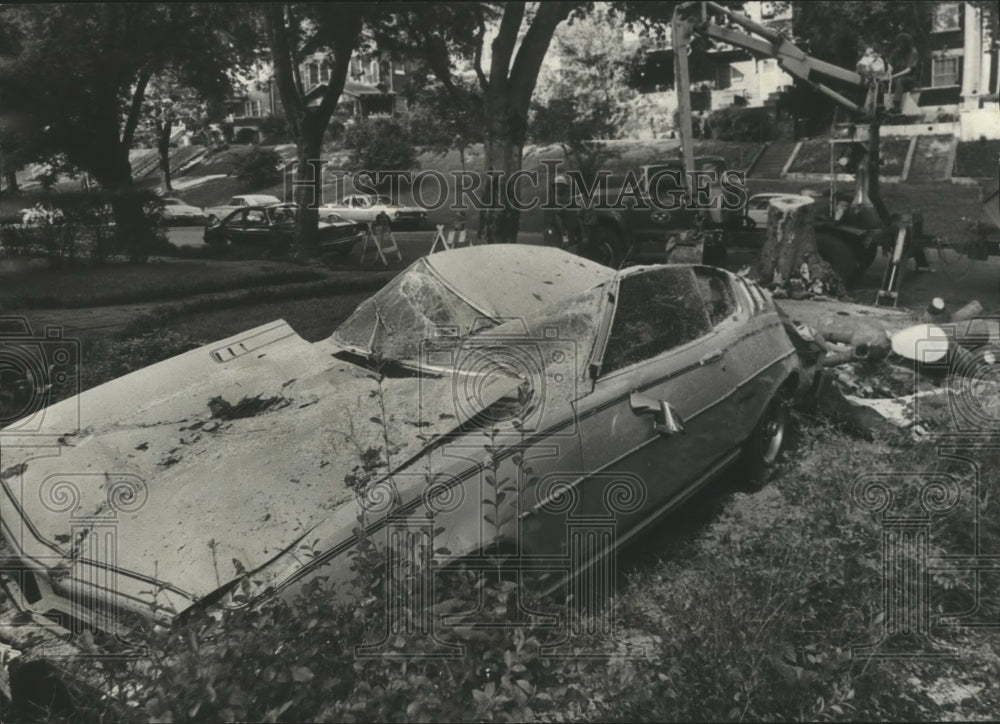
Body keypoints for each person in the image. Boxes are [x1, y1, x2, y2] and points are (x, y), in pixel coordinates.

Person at [888, 33, 920, 114]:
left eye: (902, 43)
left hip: (909, 79)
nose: (900, 45)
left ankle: (896, 106)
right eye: (899, 43)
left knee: (900, 80)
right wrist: (887, 74)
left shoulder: (913, 52)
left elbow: (908, 70)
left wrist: (893, 76)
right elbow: (890, 65)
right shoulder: (896, 52)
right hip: (895, 77)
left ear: (907, 43)